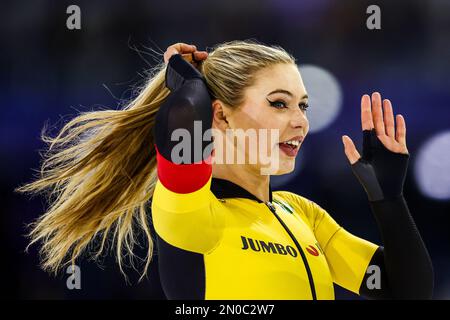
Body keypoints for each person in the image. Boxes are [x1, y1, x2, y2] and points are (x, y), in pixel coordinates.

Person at [17, 40, 433, 300]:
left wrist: (389, 199)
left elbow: (407, 289)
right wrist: (187, 80)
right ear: (220, 114)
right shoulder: (192, 212)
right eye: (279, 103)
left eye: (302, 105)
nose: (301, 120)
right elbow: (184, 120)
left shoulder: (301, 214)